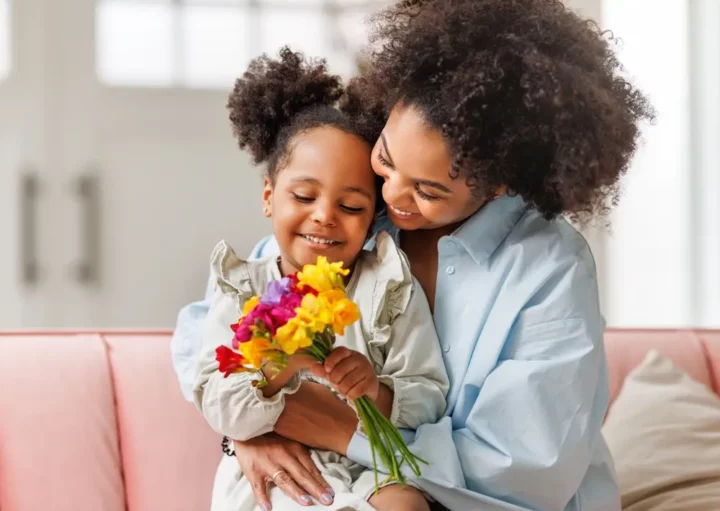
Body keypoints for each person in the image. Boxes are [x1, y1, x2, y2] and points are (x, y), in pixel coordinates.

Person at [172, 1, 654, 509]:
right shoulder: (354, 212)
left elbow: (525, 470)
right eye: (386, 158)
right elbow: (205, 331)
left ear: (497, 185)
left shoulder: (549, 268)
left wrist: (337, 427)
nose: (394, 197)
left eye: (427, 190)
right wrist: (250, 432)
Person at [193, 48, 449, 511]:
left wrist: (376, 389)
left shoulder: (387, 289)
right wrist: (275, 370)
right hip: (280, 472)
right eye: (305, 196)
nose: (325, 217)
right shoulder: (243, 293)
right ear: (269, 196)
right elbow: (218, 403)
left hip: (371, 464)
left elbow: (430, 395)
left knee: (407, 504)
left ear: (374, 219)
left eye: (351, 207)